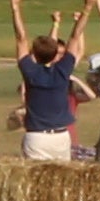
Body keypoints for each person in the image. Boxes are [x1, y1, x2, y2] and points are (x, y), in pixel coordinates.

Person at [14, 15, 85, 165]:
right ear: (55, 55)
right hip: (61, 136)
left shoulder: (30, 71)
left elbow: (21, 38)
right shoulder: (63, 71)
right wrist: (87, 9)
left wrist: (15, 8)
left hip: (36, 138)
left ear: (34, 53)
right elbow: (75, 37)